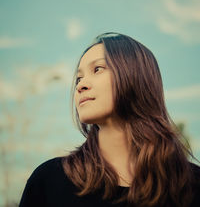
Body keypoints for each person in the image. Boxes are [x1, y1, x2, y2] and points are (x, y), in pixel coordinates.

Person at [19, 32, 200, 207]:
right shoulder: (49, 182)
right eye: (79, 78)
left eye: (97, 69)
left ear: (135, 76)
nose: (80, 85)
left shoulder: (192, 185)